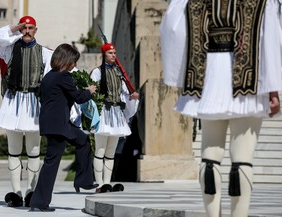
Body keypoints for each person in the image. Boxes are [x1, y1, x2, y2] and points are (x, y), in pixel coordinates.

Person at [160, 1, 282, 217]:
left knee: (209, 157)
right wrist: (273, 87)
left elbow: (172, 27)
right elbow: (270, 37)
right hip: (249, 79)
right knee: (242, 159)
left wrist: (181, 78)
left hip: (209, 78)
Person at [0, 15, 53, 207]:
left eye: (30, 28)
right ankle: (16, 193)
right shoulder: (9, 49)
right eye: (24, 28)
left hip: (34, 102)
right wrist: (12, 29)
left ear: (36, 30)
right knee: (13, 151)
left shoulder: (46, 53)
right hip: (13, 101)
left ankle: (31, 191)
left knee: (34, 150)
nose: (27, 31)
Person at [29, 43, 98, 212]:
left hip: (55, 123)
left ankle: (84, 180)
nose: (74, 65)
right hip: (58, 125)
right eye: (73, 61)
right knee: (51, 164)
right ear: (66, 60)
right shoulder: (63, 77)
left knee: (82, 140)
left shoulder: (49, 77)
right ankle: (39, 202)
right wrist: (89, 91)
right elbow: (79, 98)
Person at [90, 43, 139, 193]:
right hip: (104, 111)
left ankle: (106, 182)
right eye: (110, 53)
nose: (113, 55)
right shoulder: (97, 72)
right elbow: (91, 91)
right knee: (100, 150)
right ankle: (99, 184)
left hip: (116, 113)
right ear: (104, 55)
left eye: (114, 53)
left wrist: (132, 96)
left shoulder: (118, 73)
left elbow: (124, 93)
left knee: (110, 153)